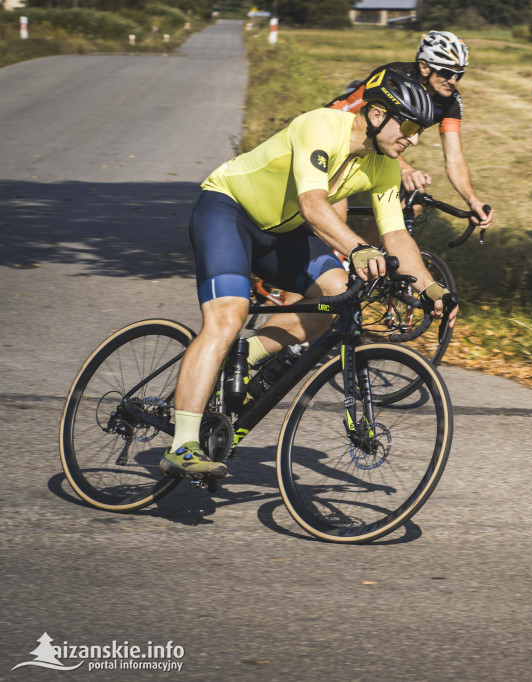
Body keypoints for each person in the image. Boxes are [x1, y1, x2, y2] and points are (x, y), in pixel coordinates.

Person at [160, 68, 455, 478]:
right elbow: (313, 205)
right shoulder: (320, 126)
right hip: (227, 210)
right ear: (375, 115)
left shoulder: (381, 165)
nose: (414, 138)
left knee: (337, 294)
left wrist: (433, 290)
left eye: (420, 129)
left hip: (279, 231)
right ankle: (182, 445)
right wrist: (357, 247)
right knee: (228, 316)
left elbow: (397, 237)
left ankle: (247, 358)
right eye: (407, 125)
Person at [327, 30, 494, 233]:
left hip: (373, 149)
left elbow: (455, 159)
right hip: (337, 135)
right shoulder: (395, 79)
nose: (453, 81)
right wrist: (405, 168)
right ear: (424, 67)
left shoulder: (449, 101)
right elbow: (375, 131)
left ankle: (364, 259)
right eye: (447, 72)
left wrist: (473, 201)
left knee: (412, 205)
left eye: (459, 74)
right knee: (336, 215)